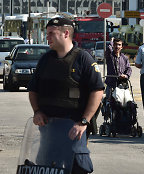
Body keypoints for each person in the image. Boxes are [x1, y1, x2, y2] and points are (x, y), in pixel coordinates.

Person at [28, 17, 104, 174]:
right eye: (46, 33)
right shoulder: (45, 60)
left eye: (51, 33)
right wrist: (37, 111)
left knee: (77, 169)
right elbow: (33, 89)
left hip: (73, 130)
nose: (47, 37)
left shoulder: (83, 58)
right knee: (45, 167)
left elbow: (97, 90)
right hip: (49, 131)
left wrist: (84, 121)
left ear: (66, 33)